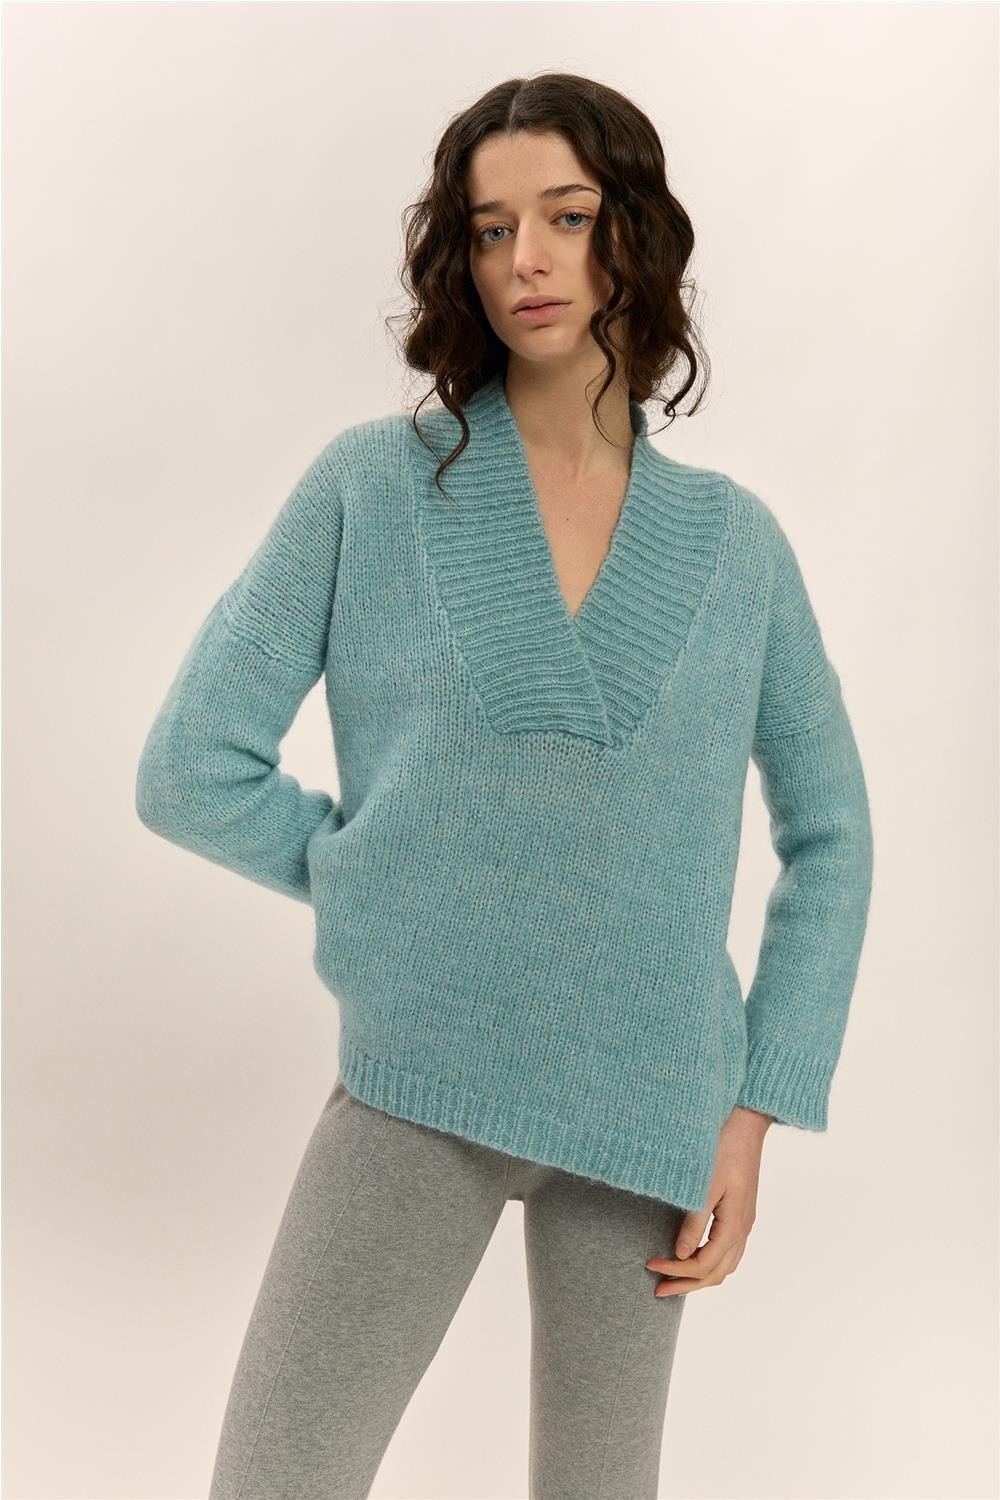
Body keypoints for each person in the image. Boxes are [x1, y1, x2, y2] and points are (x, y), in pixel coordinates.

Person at [135, 72, 874, 1500]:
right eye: (489, 228)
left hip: (652, 1114)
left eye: (567, 216)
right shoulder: (370, 487)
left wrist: (756, 1109)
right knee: (276, 1480)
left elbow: (832, 837)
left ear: (632, 234)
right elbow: (190, 767)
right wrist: (364, 873)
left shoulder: (736, 547)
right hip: (419, 1082)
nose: (526, 258)